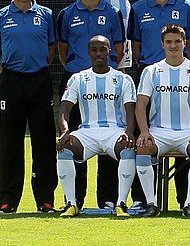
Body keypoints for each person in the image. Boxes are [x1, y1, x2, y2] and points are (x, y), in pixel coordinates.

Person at [0, 0, 58, 214]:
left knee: (44, 141)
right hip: (12, 82)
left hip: (39, 81)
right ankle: (7, 201)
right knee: (9, 143)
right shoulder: (0, 16)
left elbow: (51, 50)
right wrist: (9, 73)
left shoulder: (46, 15)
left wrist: (34, 68)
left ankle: (46, 200)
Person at [56, 0, 125, 209]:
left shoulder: (113, 12)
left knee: (111, 136)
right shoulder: (67, 14)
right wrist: (81, 71)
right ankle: (74, 199)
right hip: (77, 82)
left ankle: (107, 197)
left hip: (108, 82)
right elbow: (63, 52)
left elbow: (119, 47)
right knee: (74, 139)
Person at [56, 36, 139, 218]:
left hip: (114, 131)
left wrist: (129, 132)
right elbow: (64, 109)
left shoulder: (123, 79)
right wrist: (64, 131)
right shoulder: (78, 78)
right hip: (87, 132)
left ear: (109, 51)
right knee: (63, 149)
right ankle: (71, 203)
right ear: (89, 52)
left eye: (103, 49)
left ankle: (121, 203)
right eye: (94, 50)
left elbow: (130, 110)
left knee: (127, 149)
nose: (99, 53)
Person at [134, 24, 190, 217]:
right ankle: (151, 204)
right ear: (162, 44)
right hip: (158, 132)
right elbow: (140, 104)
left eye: (178, 41)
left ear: (184, 43)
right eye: (169, 42)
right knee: (143, 149)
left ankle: (189, 203)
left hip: (188, 131)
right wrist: (144, 131)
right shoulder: (151, 71)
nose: (173, 45)